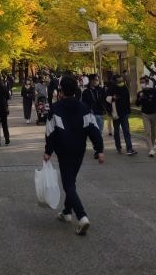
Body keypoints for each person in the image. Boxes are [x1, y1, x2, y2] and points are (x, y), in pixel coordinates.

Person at [44, 75, 104, 235]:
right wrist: (100, 149)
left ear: (61, 90)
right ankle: (66, 212)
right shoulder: (84, 108)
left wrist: (48, 151)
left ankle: (82, 216)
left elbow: (50, 132)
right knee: (71, 180)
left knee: (68, 184)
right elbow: (94, 128)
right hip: (79, 150)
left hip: (63, 150)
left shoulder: (55, 108)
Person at [107, 74, 136, 155]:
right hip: (115, 113)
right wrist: (113, 99)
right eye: (119, 79)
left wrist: (128, 110)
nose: (121, 80)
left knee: (126, 131)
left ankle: (129, 149)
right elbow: (106, 99)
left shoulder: (124, 87)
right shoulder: (111, 88)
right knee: (116, 131)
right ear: (115, 80)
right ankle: (118, 147)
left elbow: (127, 99)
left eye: (121, 79)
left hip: (124, 113)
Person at [81, 75, 107, 158]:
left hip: (99, 113)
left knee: (99, 132)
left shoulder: (101, 90)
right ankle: (97, 150)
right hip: (91, 115)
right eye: (95, 80)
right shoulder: (86, 92)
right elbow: (84, 103)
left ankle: (98, 149)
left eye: (97, 80)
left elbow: (105, 100)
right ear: (91, 81)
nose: (96, 81)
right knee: (94, 132)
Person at [135, 76, 156, 157]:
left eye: (143, 82)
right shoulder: (140, 93)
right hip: (145, 114)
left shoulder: (153, 91)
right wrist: (140, 97)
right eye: (140, 82)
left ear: (147, 83)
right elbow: (137, 104)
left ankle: (152, 147)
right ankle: (150, 149)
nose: (141, 84)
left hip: (154, 114)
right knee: (147, 132)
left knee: (153, 133)